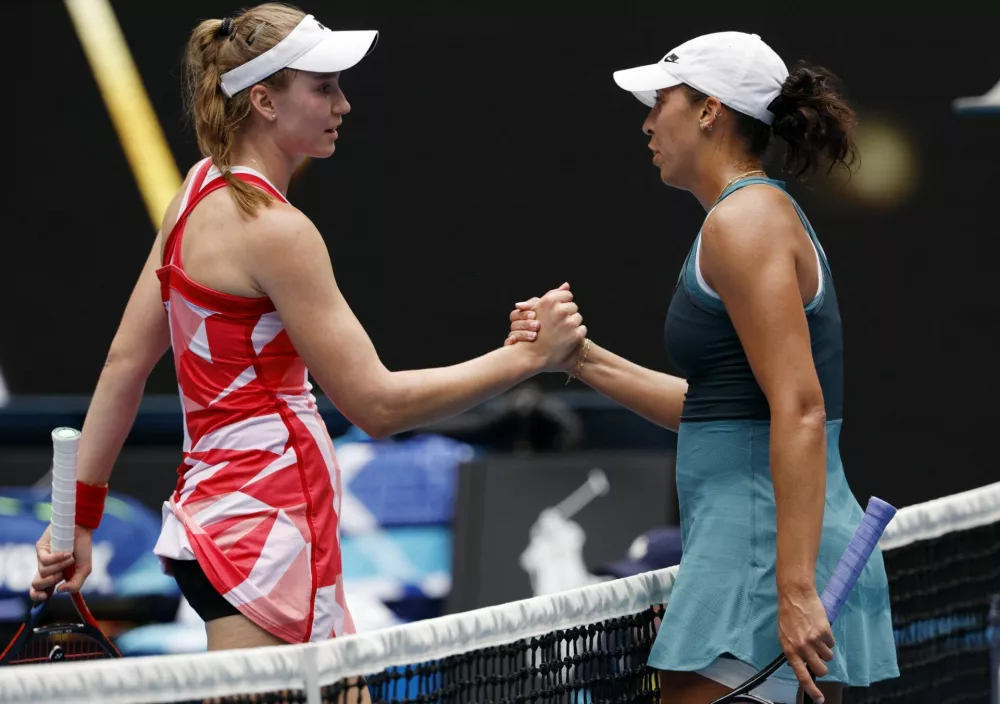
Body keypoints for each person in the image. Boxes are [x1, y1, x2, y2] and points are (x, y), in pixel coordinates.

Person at [29, 3, 586, 652]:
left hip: (212, 526)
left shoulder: (195, 191)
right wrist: (527, 358)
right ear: (263, 101)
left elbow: (123, 365)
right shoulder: (277, 231)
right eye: (323, 88)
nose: (342, 104)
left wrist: (80, 519)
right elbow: (377, 405)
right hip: (271, 533)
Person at [506, 31, 898, 704]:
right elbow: (720, 409)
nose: (648, 123)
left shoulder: (743, 223)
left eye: (661, 102)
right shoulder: (753, 216)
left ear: (710, 111)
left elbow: (801, 407)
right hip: (762, 553)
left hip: (763, 561)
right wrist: (580, 359)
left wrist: (794, 588)